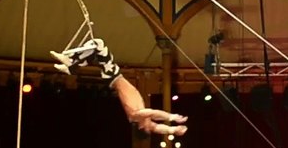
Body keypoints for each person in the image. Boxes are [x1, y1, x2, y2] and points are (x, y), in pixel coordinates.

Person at [51, 35, 187, 136]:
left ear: (140, 127)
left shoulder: (135, 116)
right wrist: (173, 130)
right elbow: (158, 127)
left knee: (98, 44)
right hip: (115, 77)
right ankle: (72, 65)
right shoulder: (143, 120)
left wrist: (172, 117)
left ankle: (71, 63)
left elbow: (153, 113)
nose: (151, 126)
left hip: (113, 77)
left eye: (148, 128)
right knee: (96, 53)